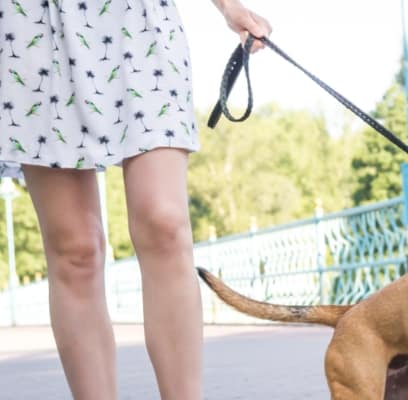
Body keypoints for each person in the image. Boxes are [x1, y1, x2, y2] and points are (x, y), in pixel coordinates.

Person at [0, 0, 271, 398]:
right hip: (33, 26)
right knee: (76, 250)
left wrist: (230, 6)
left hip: (136, 17)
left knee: (164, 222)